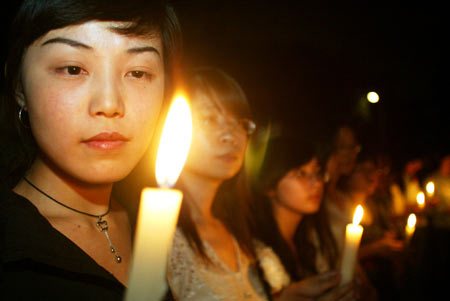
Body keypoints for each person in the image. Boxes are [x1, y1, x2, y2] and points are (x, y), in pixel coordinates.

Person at [0, 0, 181, 299]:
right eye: (72, 69)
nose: (109, 104)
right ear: (19, 87)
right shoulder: (14, 253)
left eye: (137, 73)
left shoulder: (154, 221)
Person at [166, 67, 271, 300]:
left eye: (240, 123)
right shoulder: (156, 232)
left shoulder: (242, 227)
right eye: (208, 119)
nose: (231, 135)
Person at [248, 134, 358, 300]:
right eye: (301, 173)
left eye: (317, 173)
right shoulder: (256, 252)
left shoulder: (309, 239)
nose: (317, 183)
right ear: (269, 185)